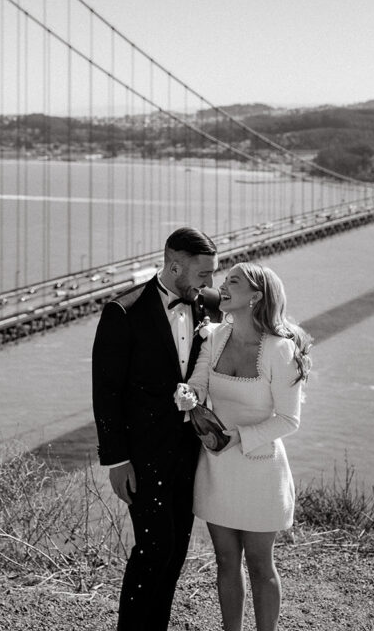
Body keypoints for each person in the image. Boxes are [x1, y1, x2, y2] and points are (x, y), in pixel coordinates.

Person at [92, 227, 222, 631]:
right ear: (174, 266)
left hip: (190, 451)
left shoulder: (210, 306)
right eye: (203, 275)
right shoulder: (124, 312)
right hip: (143, 456)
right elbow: (106, 392)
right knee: (154, 547)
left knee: (177, 549)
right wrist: (117, 461)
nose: (210, 284)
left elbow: (256, 320)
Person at [177, 262, 312, 631]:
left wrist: (237, 436)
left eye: (233, 280)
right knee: (224, 560)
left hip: (260, 469)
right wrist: (189, 394)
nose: (222, 285)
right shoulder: (216, 336)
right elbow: (200, 382)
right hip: (217, 468)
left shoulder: (279, 350)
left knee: (259, 564)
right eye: (224, 279)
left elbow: (288, 419)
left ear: (255, 296)